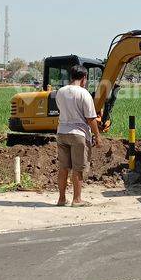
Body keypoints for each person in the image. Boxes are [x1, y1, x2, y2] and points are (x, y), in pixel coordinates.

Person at [55, 65, 102, 207]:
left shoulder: (60, 92)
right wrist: (98, 136)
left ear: (71, 77)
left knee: (63, 168)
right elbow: (91, 118)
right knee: (77, 168)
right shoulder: (84, 94)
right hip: (78, 135)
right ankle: (77, 199)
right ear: (84, 78)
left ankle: (62, 199)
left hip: (62, 132)